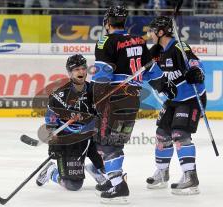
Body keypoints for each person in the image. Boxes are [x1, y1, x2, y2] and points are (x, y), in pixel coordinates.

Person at [90, 6, 176, 204]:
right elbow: (152, 71)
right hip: (133, 99)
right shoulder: (138, 40)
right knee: (116, 141)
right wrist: (164, 86)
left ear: (107, 23)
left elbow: (103, 75)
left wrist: (95, 100)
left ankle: (118, 185)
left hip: (114, 99)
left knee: (105, 143)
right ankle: (114, 181)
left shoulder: (106, 41)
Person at [146, 16, 206, 195]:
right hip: (174, 99)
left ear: (161, 32)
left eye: (152, 31)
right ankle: (162, 172)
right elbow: (150, 73)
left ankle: (190, 177)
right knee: (161, 134)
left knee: (179, 134)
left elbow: (196, 63)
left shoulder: (179, 47)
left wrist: (197, 72)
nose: (150, 34)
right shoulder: (156, 51)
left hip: (191, 98)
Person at [36, 54, 105, 191]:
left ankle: (96, 170)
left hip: (91, 137)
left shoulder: (94, 91)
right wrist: (54, 143)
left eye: (83, 68)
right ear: (69, 72)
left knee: (110, 166)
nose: (81, 72)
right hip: (70, 141)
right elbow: (51, 121)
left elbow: (103, 113)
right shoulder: (59, 95)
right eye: (76, 69)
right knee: (73, 185)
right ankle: (51, 172)